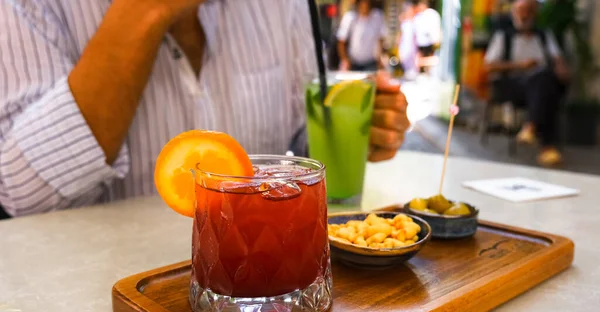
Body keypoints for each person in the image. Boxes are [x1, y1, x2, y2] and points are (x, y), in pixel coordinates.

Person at [0, 0, 410, 218]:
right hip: (97, 307)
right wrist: (146, 10)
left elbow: (302, 142)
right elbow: (24, 195)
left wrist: (357, 132)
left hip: (258, 279)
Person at [484, 0, 569, 167]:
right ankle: (547, 146)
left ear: (534, 14)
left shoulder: (544, 35)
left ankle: (531, 127)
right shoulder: (504, 36)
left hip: (541, 85)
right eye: (521, 11)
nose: (524, 15)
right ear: (514, 13)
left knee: (544, 81)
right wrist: (519, 66)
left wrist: (562, 69)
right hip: (512, 84)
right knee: (544, 85)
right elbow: (488, 66)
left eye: (529, 11)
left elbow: (558, 59)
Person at [336, 0, 387, 71]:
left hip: (371, 62)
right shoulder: (350, 17)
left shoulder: (378, 16)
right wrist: (345, 60)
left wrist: (380, 58)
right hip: (353, 62)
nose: (365, 5)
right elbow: (341, 41)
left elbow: (381, 39)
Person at [412, 0, 441, 73]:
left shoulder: (431, 14)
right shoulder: (418, 16)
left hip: (429, 42)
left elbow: (433, 29)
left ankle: (429, 71)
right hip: (421, 43)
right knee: (422, 59)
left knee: (429, 59)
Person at [397, 3, 418, 79]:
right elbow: (400, 36)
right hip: (405, 47)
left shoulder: (414, 22)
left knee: (411, 63)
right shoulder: (404, 23)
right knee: (405, 63)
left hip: (411, 47)